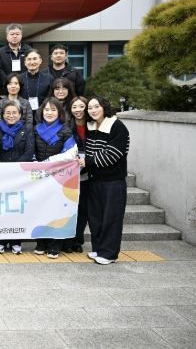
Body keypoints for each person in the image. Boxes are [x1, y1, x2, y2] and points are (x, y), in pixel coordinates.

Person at [79, 96, 130, 265]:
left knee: (111, 218)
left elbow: (111, 154)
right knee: (95, 218)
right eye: (90, 108)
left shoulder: (117, 126)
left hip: (113, 181)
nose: (93, 110)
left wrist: (87, 162)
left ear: (104, 107)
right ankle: (98, 249)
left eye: (96, 106)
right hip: (94, 180)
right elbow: (89, 150)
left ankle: (109, 254)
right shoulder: (91, 126)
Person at [32, 97, 78, 259]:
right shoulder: (35, 129)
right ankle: (41, 243)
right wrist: (34, 162)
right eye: (46, 109)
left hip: (59, 177)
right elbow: (31, 148)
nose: (49, 113)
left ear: (59, 112)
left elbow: (71, 153)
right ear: (41, 112)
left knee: (57, 211)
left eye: (53, 110)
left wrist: (49, 162)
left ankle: (54, 245)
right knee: (40, 209)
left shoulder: (65, 130)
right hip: (39, 176)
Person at [0, 100, 34, 254]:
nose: (11, 115)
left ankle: (16, 241)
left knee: (17, 209)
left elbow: (29, 152)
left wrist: (15, 168)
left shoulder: (27, 130)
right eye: (8, 113)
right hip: (1, 175)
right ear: (2, 115)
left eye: (14, 113)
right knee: (1, 209)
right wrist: (3, 168)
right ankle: (0, 241)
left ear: (20, 114)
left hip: (19, 176)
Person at [68, 96, 89, 253]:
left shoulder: (94, 126)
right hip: (70, 173)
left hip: (89, 173)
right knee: (70, 208)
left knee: (83, 209)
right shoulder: (67, 126)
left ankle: (78, 240)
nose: (78, 110)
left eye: (81, 106)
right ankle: (67, 241)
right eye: (74, 107)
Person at [0, 23, 32, 97]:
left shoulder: (28, 50)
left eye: (17, 34)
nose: (15, 36)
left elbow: (31, 67)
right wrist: (9, 82)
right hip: (6, 88)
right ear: (7, 36)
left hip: (25, 87)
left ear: (21, 35)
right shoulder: (0, 52)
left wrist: (21, 82)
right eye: (12, 34)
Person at [18, 49, 52, 122]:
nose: (32, 62)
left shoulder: (49, 78)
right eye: (29, 59)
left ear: (40, 61)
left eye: (35, 59)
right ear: (25, 62)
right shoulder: (19, 78)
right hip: (23, 116)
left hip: (43, 116)